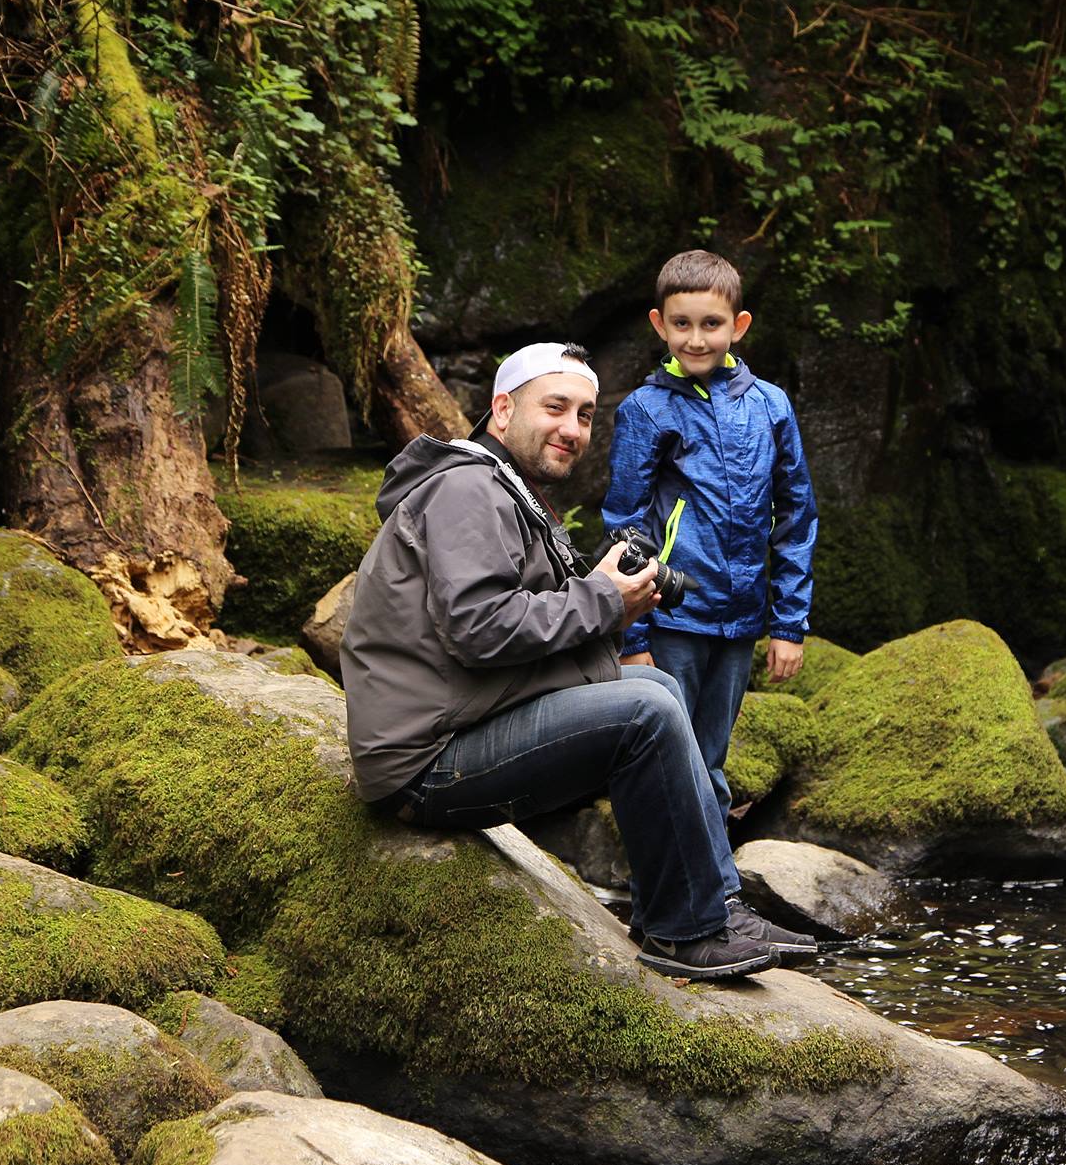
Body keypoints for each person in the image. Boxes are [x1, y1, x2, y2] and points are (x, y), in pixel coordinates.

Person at [339, 341, 811, 980]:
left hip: (460, 723)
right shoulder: (466, 490)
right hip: (426, 762)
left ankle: (693, 907)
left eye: (586, 414)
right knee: (644, 707)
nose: (572, 428)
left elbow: (509, 625)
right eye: (555, 407)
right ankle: (689, 933)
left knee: (654, 686)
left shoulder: (502, 488)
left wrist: (608, 602)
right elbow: (480, 631)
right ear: (502, 411)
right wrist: (603, 601)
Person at [603, 249, 818, 820]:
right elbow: (626, 526)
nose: (695, 339)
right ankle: (683, 896)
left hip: (741, 618)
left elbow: (795, 517)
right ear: (659, 324)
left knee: (711, 758)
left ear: (738, 326)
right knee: (666, 757)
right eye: (681, 324)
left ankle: (708, 896)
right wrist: (633, 638)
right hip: (673, 614)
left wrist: (787, 624)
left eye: (710, 324)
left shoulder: (771, 406)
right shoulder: (646, 411)